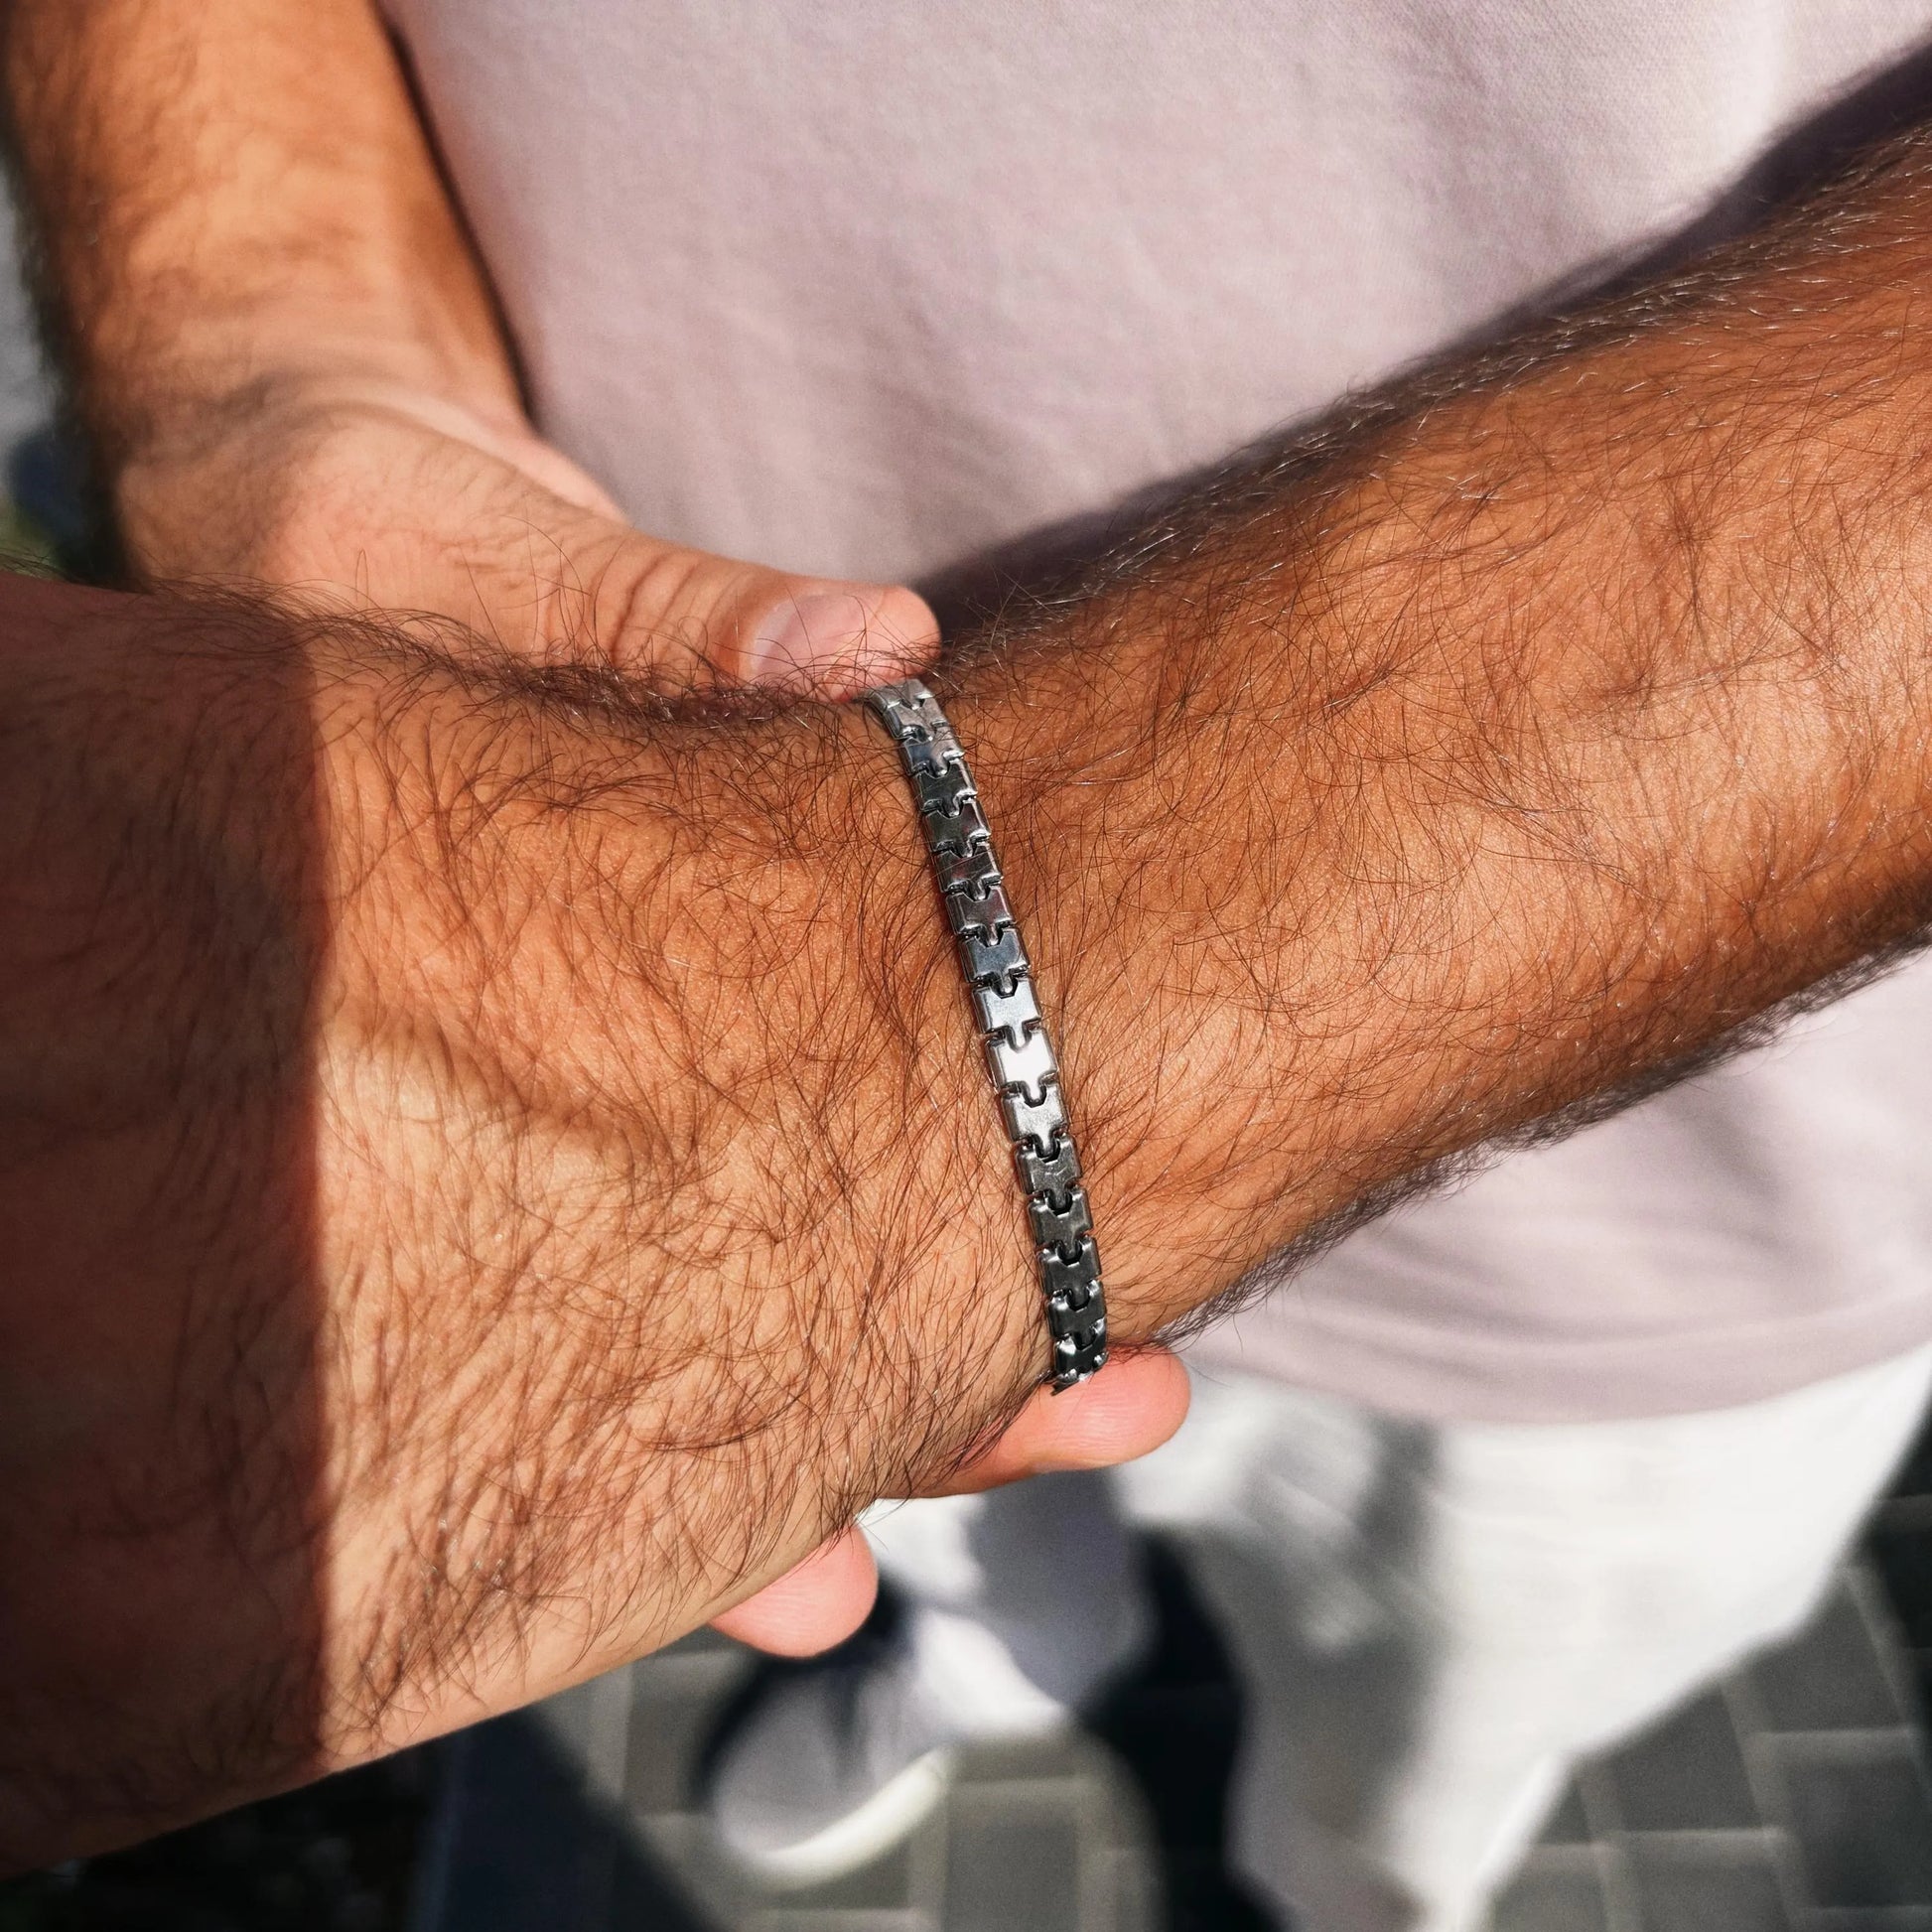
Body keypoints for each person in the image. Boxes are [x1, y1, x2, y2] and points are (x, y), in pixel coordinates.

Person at [8, 3, 1932, 1924]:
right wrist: (268, 333)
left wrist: (871, 1044)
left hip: (1652, 1152)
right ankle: (1014, 1654)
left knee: (1407, 1758)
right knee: (951, 1543)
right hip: (590, 811)